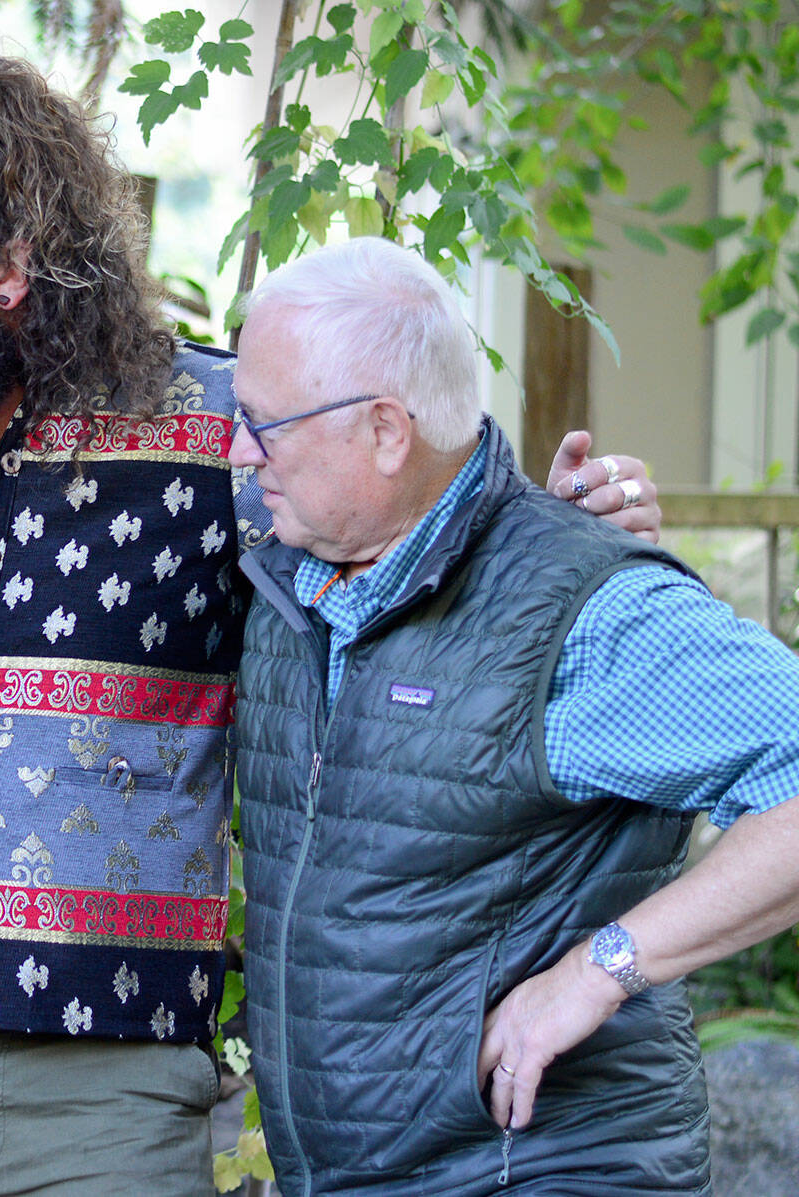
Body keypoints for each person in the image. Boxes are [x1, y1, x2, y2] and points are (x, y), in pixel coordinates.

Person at [0, 57, 657, 1194]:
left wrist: (558, 528)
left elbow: (392, 555)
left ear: (9, 267)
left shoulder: (212, 438)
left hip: (108, 1091)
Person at [227, 235, 799, 1194]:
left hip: (540, 1168)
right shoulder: (293, 575)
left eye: (263, 421)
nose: (239, 449)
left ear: (386, 431)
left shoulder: (584, 612)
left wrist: (599, 970)